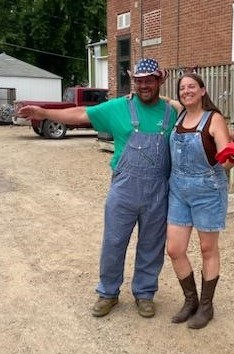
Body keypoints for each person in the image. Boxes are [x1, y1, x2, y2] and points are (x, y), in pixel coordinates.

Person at [18, 58, 178, 319]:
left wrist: (225, 135)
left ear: (160, 80)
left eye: (149, 80)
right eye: (139, 80)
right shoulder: (119, 107)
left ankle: (145, 293)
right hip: (124, 188)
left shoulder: (173, 112)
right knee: (114, 241)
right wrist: (45, 113)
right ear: (134, 82)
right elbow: (81, 113)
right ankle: (108, 293)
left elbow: (198, 121)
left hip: (158, 190)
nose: (144, 85)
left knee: (152, 244)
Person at [165, 72, 234, 329]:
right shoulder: (179, 114)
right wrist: (133, 94)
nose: (186, 91)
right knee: (174, 249)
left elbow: (225, 160)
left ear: (203, 90)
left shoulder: (214, 119)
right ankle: (190, 300)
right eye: (182, 88)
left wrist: (233, 158)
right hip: (179, 191)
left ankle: (206, 306)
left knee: (208, 249)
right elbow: (167, 100)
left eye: (191, 87)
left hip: (208, 191)